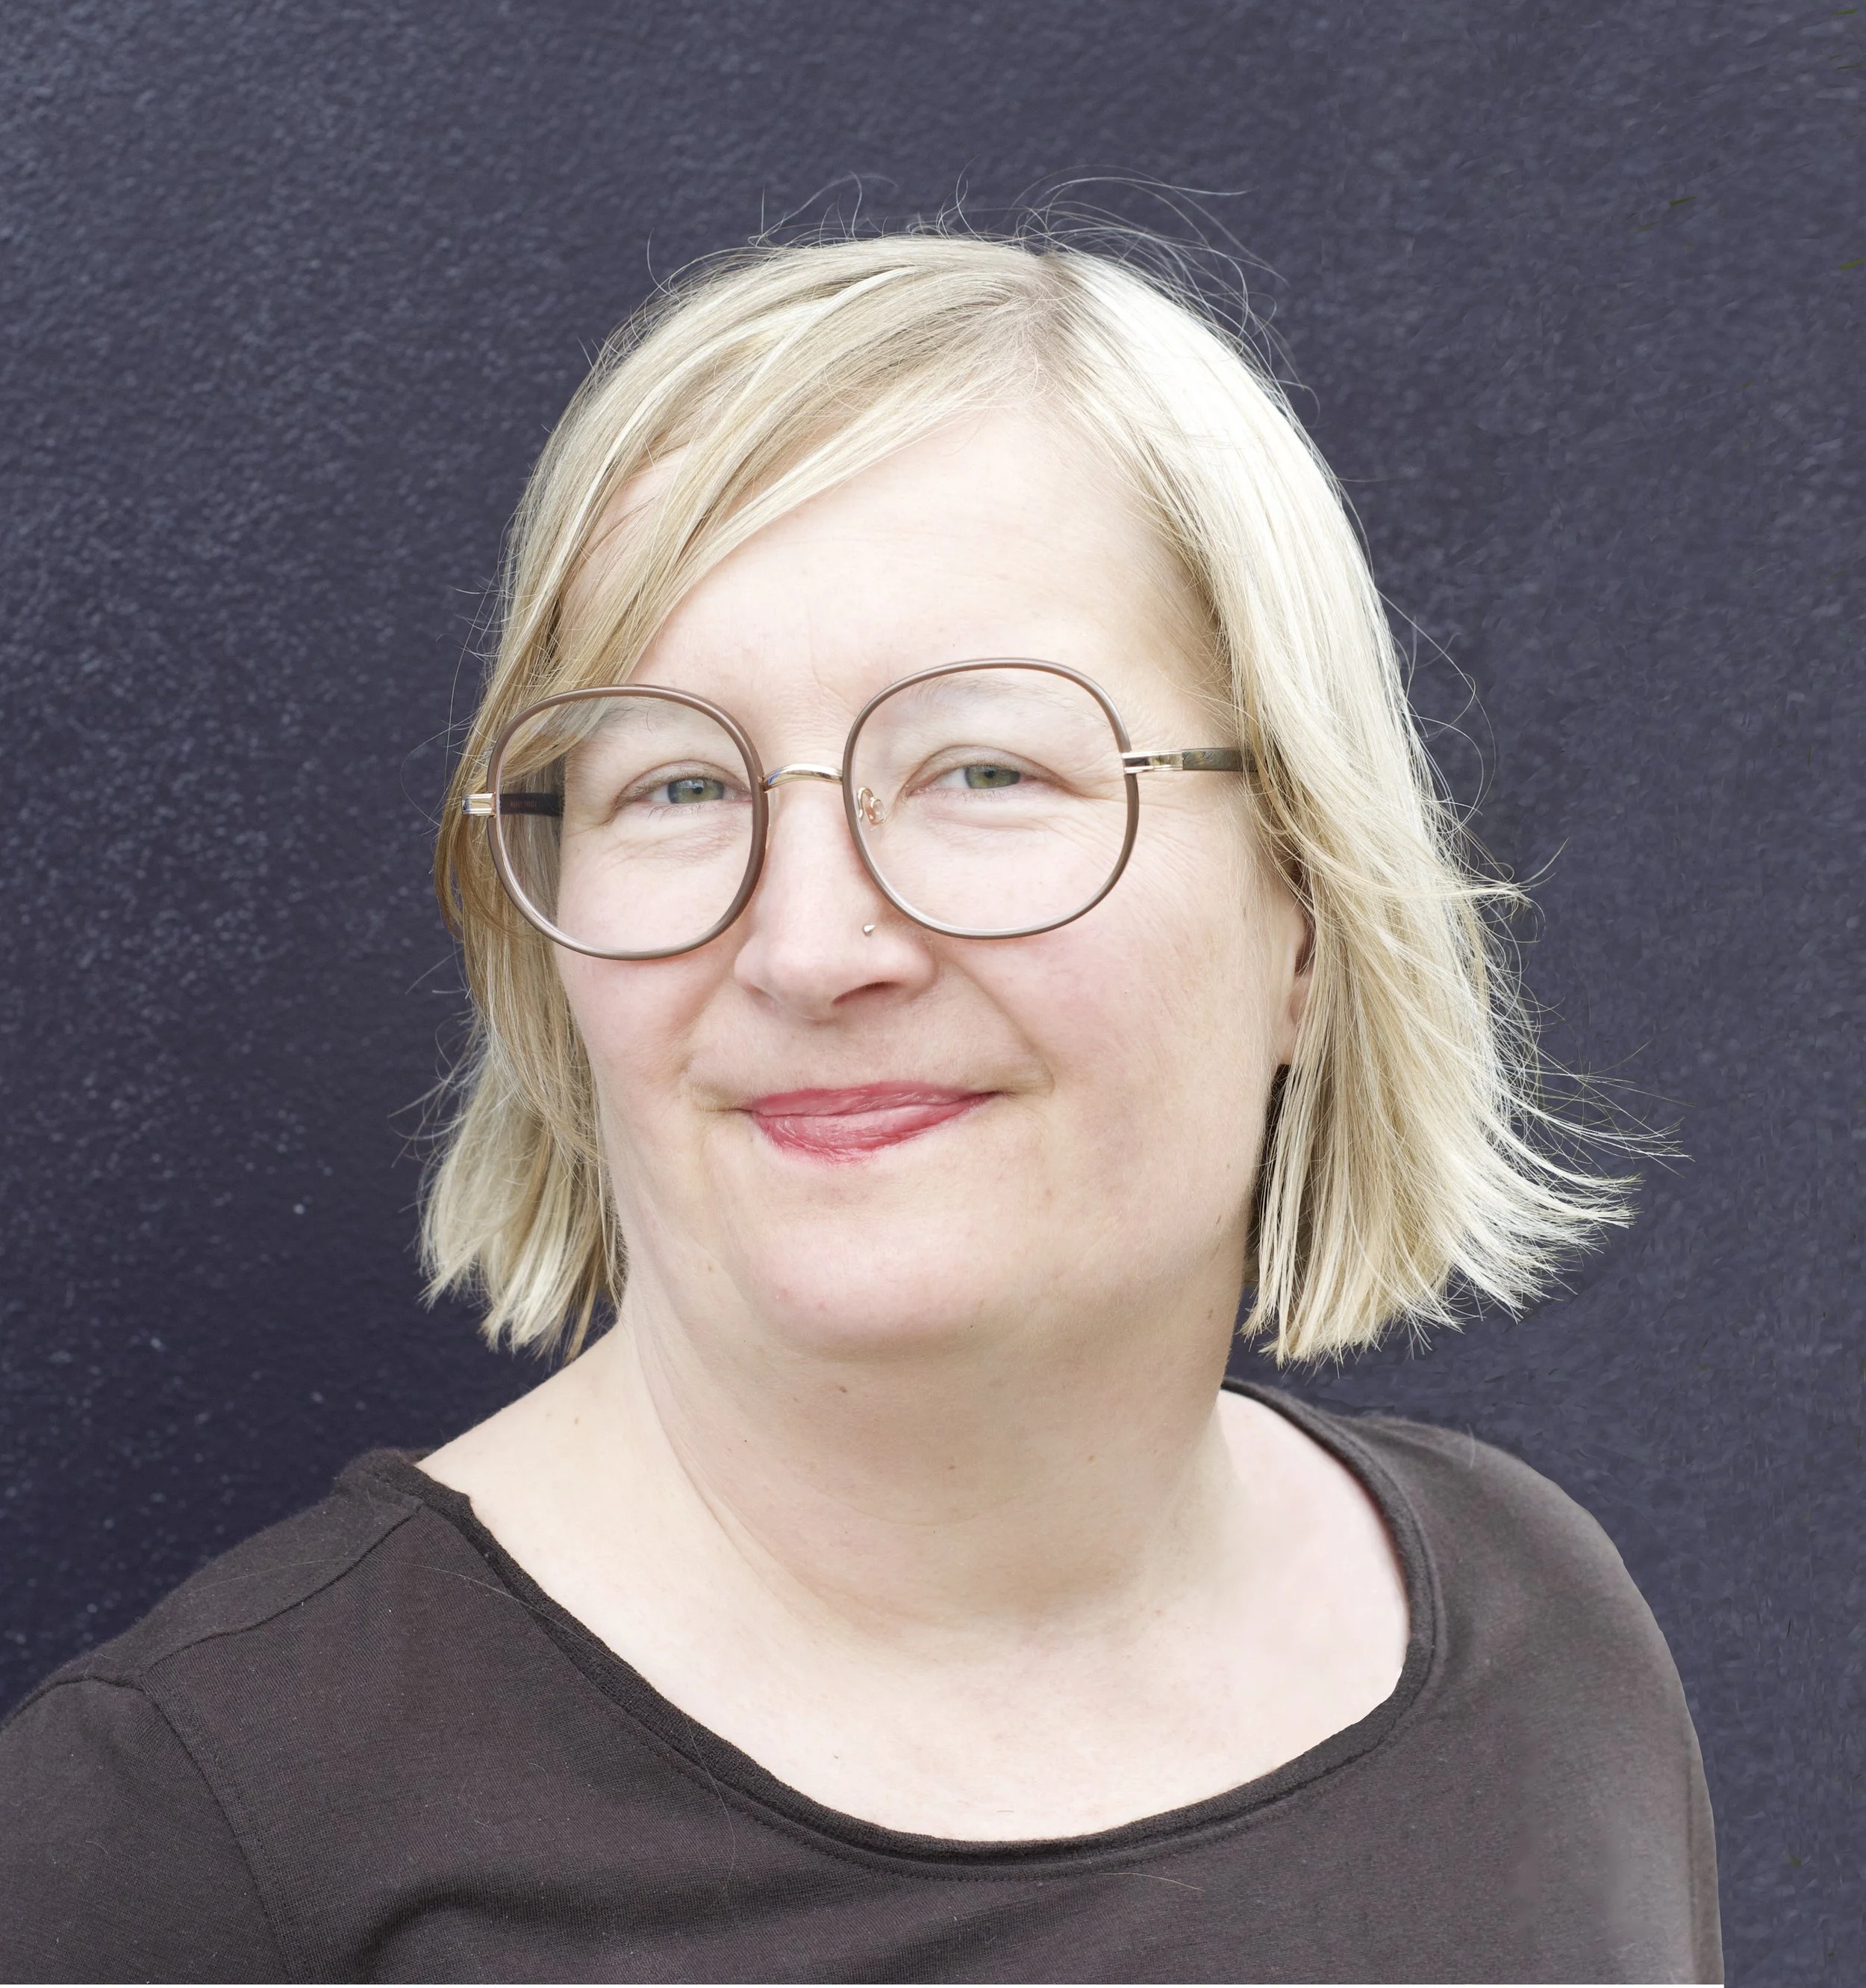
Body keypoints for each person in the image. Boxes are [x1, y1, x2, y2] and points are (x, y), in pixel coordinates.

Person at [0, 228, 1720, 1984]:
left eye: (982, 768)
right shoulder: (193, 1845)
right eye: (677, 784)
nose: (811, 947)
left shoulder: (1539, 1640)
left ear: (1303, 905)